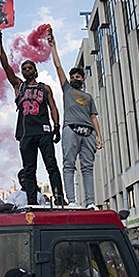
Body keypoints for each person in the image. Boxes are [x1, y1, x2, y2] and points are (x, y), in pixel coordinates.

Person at [0, 28, 64, 206]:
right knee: (29, 169)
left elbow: (53, 107)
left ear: (35, 71)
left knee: (51, 165)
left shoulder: (45, 87)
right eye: (24, 68)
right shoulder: (19, 86)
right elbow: (5, 66)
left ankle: (59, 197)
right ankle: (32, 200)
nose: (26, 70)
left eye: (30, 68)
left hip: (44, 131)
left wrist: (57, 126)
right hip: (26, 134)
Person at [48, 31, 102, 208]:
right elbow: (58, 67)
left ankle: (91, 202)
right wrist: (53, 46)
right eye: (72, 77)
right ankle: (71, 200)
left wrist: (99, 136)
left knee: (88, 168)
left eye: (77, 77)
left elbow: (93, 117)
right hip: (71, 129)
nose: (74, 79)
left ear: (83, 80)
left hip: (89, 133)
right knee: (69, 165)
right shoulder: (67, 90)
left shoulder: (88, 97)